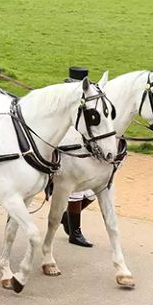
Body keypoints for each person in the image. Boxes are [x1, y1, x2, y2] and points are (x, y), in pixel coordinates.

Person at [62, 66, 96, 248]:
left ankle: (65, 217)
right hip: (65, 148)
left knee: (92, 193)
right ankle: (74, 232)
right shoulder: (66, 100)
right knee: (77, 191)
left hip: (82, 144)